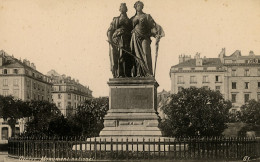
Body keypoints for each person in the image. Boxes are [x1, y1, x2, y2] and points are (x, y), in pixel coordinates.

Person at [130, 1, 164, 77]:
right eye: (138, 5)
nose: (140, 7)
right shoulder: (132, 18)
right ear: (135, 7)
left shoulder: (147, 16)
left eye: (141, 5)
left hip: (145, 37)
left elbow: (153, 26)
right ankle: (138, 73)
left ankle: (148, 73)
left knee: (146, 53)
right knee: (137, 56)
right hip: (135, 38)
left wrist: (156, 34)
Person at [107, 3, 133, 78]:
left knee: (127, 56)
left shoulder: (129, 21)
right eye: (121, 7)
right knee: (119, 56)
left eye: (124, 7)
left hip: (127, 40)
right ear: (119, 9)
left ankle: (127, 73)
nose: (122, 9)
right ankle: (120, 74)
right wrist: (110, 39)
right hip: (117, 39)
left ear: (126, 9)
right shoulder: (116, 19)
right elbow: (110, 30)